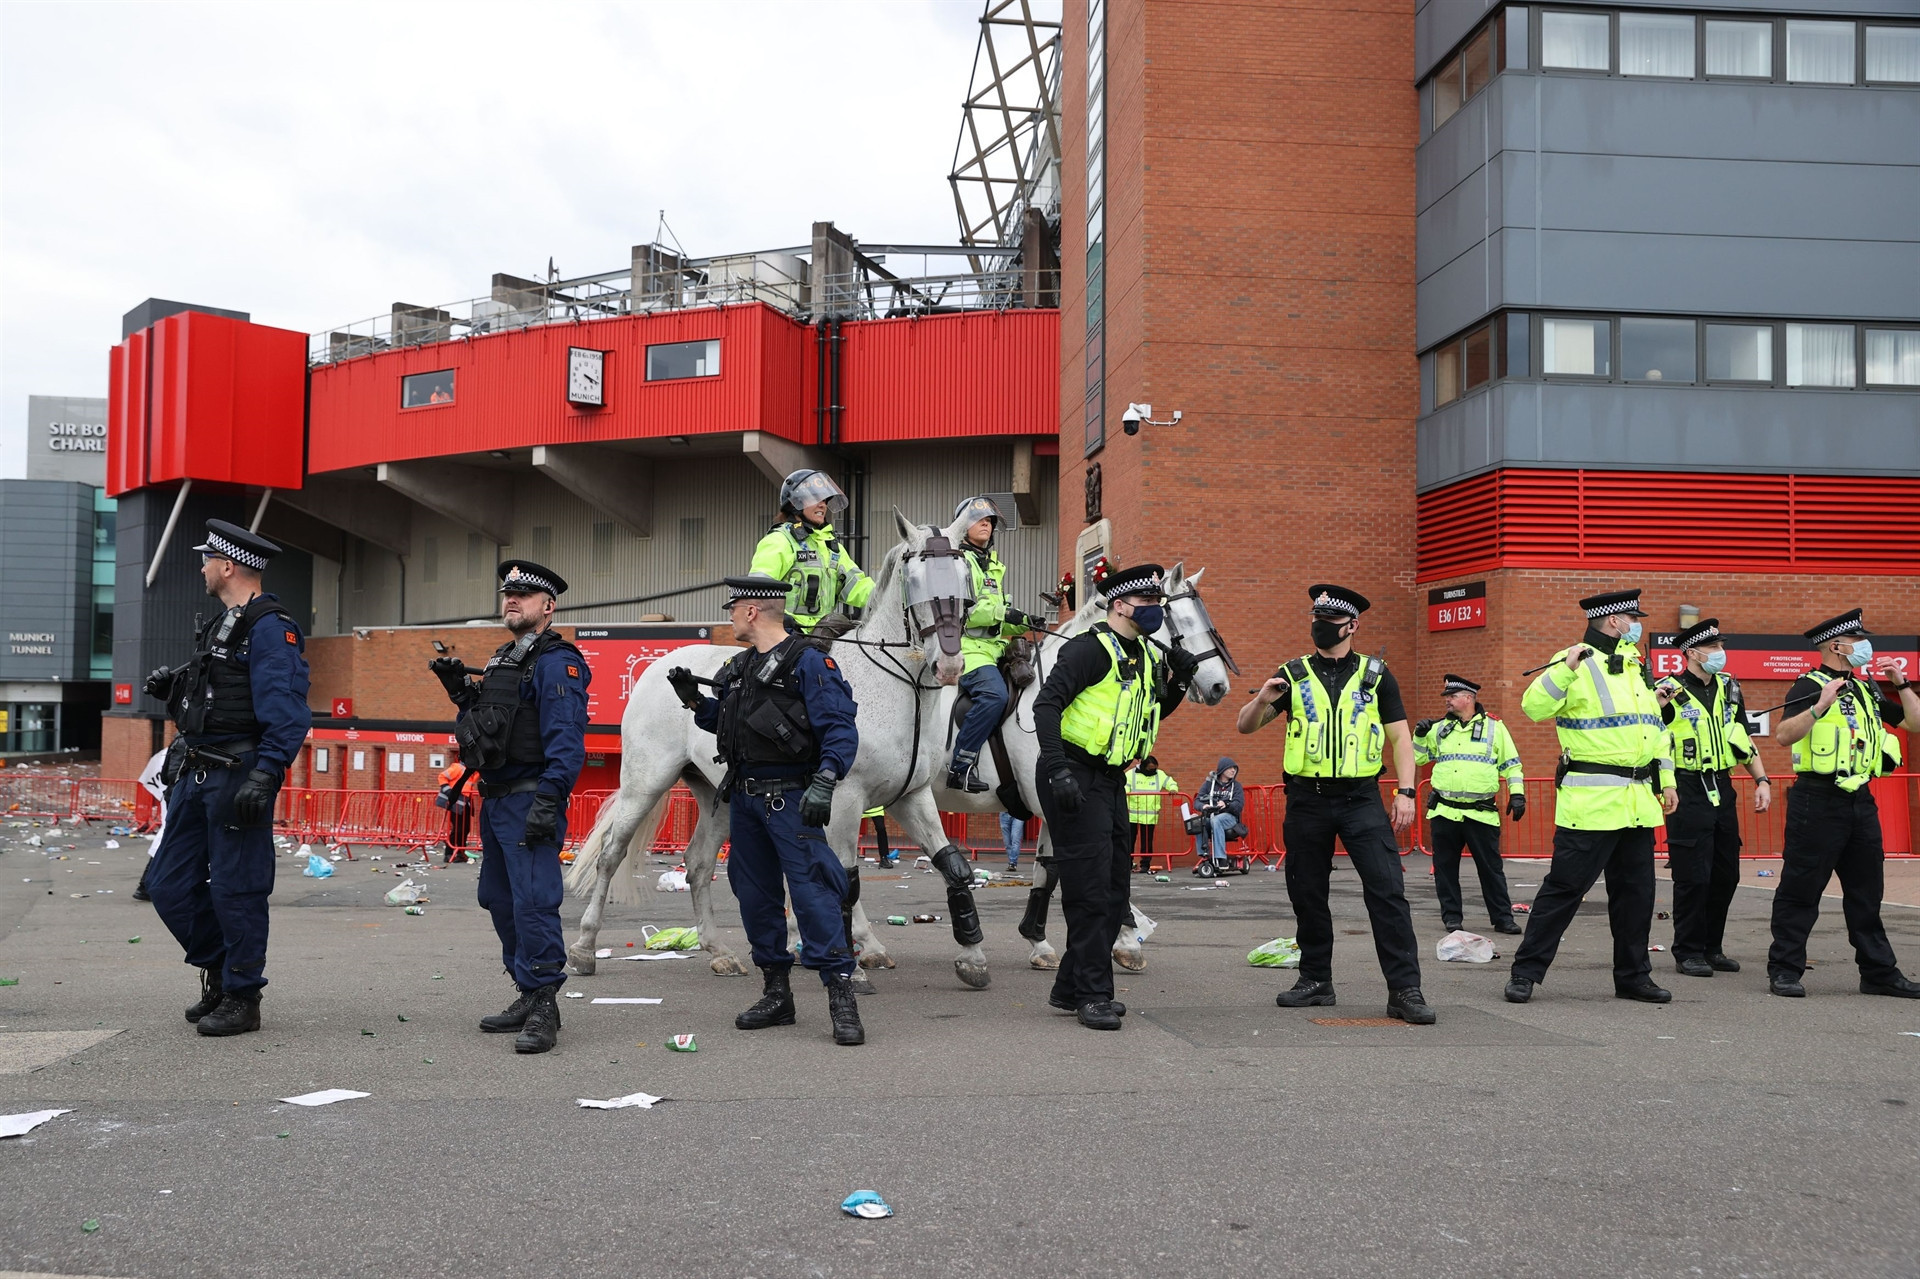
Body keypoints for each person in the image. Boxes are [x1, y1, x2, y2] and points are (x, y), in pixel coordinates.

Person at [672, 574, 867, 1044]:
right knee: (755, 896)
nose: (730, 616)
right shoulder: (740, 668)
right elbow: (729, 724)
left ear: (752, 611)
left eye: (733, 608)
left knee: (814, 894)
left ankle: (841, 997)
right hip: (745, 799)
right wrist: (695, 700)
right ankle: (777, 993)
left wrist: (826, 779)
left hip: (792, 798)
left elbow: (840, 727)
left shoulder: (810, 662)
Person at [142, 520, 311, 1038]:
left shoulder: (270, 627)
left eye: (207, 561)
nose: (202, 569)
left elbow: (287, 710)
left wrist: (267, 772)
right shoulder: (223, 623)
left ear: (229, 566)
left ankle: (242, 995)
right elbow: (217, 696)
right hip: (196, 771)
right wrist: (173, 689)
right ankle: (219, 968)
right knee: (167, 885)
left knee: (238, 890)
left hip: (238, 774)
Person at [1236, 585, 1434, 1025]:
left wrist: (1406, 792)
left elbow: (1401, 737)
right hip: (1306, 799)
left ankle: (1405, 989)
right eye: (1316, 618)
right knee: (1307, 892)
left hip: (1360, 798)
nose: (1319, 626)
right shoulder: (1293, 674)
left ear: (1352, 626)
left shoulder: (1376, 675)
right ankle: (1315, 981)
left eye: (1328, 620)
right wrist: (1262, 699)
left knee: (1387, 891)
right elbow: (1245, 726)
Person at [429, 560, 591, 1054]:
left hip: (529, 798)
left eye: (523, 594)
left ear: (549, 606)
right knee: (498, 899)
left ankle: (544, 1003)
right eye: (507, 594)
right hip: (496, 799)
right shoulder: (505, 658)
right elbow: (489, 727)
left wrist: (550, 798)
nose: (512, 600)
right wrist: (462, 695)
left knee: (533, 902)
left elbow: (567, 740)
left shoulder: (556, 661)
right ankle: (526, 988)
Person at [1035, 564, 1200, 1030]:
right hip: (1072, 771)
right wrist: (1058, 769)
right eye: (1147, 603)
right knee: (1089, 890)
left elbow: (1153, 712)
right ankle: (1093, 995)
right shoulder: (1088, 648)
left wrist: (1180, 680)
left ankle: (1071, 986)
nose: (1155, 610)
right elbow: (1046, 705)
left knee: (1114, 890)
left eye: (1158, 603)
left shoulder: (1144, 654)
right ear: (1121, 605)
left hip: (1109, 778)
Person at [1503, 589, 1677, 1006]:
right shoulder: (1574, 660)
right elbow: (1533, 707)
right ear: (1614, 621)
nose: (1638, 625)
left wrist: (1667, 781)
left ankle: (1634, 977)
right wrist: (1565, 670)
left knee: (1636, 897)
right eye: (1633, 619)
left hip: (1637, 802)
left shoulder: (1636, 666)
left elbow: (1654, 731)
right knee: (1564, 891)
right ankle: (1525, 973)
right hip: (1591, 804)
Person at [1766, 608, 1920, 999]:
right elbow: (1783, 735)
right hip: (1816, 800)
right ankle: (1784, 970)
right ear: (1837, 646)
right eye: (1858, 640)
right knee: (1801, 889)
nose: (1865, 647)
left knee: (1867, 892)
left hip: (1860, 801)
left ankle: (1879, 973)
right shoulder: (1808, 685)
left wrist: (1901, 684)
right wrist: (1819, 706)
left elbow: (1915, 724)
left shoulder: (1867, 689)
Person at [1660, 619, 1769, 977]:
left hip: (1722, 785)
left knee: (1726, 874)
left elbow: (1743, 738)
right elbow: (1652, 741)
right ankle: (1688, 951)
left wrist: (1762, 780)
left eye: (1721, 646)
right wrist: (1664, 785)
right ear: (1692, 653)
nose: (1720, 653)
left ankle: (1712, 947)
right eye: (1713, 647)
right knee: (1693, 876)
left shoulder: (1729, 688)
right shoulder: (1667, 691)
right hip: (1686, 787)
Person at [945, 496, 1046, 791]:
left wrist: (1024, 621)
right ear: (962, 526)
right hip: (967, 649)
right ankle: (960, 766)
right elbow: (966, 611)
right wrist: (1005, 612)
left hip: (994, 649)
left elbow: (996, 620)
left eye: (990, 521)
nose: (987, 525)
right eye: (980, 520)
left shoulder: (992, 566)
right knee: (994, 696)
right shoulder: (956, 563)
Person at [1412, 674, 1524, 935]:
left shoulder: (1495, 728)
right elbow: (1419, 759)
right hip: (1444, 811)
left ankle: (1503, 919)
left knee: (1491, 870)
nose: (1447, 701)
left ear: (1469, 698)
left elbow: (1512, 765)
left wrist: (1518, 794)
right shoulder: (1439, 728)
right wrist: (1419, 735)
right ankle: (1452, 918)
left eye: (1452, 696)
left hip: (1480, 813)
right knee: (1445, 870)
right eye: (1447, 696)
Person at [750, 469, 874, 635]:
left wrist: (887, 595)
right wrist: (780, 620)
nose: (823, 505)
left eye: (824, 500)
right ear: (794, 503)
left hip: (824, 633)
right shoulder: (780, 540)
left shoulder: (831, 546)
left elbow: (857, 586)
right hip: (785, 634)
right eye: (815, 498)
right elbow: (757, 590)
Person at [1192, 757, 1245, 873]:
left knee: (1217, 820)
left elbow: (1239, 805)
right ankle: (1204, 856)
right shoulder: (1209, 784)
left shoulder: (1236, 786)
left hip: (1229, 817)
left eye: (1234, 768)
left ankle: (1221, 858)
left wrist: (1226, 804)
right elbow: (1197, 801)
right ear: (1222, 769)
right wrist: (1203, 806)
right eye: (1230, 768)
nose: (1233, 770)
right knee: (1198, 821)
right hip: (1211, 816)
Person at [1124, 756, 1177, 873]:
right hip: (1132, 814)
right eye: (1150, 769)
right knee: (1129, 841)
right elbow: (1124, 788)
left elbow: (1170, 782)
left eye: (1154, 768)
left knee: (1147, 842)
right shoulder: (1131, 774)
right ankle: (1127, 864)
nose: (1153, 771)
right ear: (1143, 767)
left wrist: (1173, 788)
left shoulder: (1159, 774)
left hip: (1149, 816)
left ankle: (1145, 865)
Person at [436, 757, 474, 864]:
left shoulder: (471, 771)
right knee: (458, 829)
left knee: (465, 829)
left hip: (464, 803)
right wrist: (449, 792)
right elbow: (442, 776)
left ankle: (461, 853)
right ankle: (449, 853)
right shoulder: (458, 768)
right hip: (456, 803)